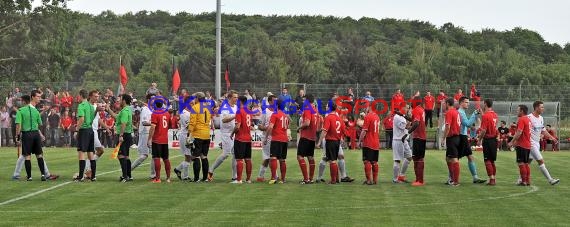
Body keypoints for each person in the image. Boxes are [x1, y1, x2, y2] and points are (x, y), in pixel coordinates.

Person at [524, 101, 560, 185]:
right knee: (540, 161)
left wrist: (552, 138)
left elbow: (543, 130)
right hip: (531, 143)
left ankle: (520, 179)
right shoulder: (528, 117)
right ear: (536, 108)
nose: (543, 109)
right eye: (542, 107)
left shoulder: (541, 118)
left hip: (537, 143)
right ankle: (550, 180)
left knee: (528, 162)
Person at [15, 92, 48, 181]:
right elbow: (40, 123)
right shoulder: (35, 111)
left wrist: (17, 137)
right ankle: (43, 175)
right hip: (36, 134)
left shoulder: (20, 111)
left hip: (26, 134)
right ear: (32, 98)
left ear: (23, 102)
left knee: (27, 156)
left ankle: (29, 177)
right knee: (39, 155)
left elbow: (18, 125)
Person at [208, 91, 238, 182]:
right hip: (226, 133)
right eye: (234, 97)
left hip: (234, 133)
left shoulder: (236, 107)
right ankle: (210, 170)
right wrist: (235, 116)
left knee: (235, 155)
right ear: (229, 98)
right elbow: (224, 120)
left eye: (237, 97)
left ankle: (234, 176)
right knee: (226, 154)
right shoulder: (225, 108)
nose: (236, 99)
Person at [457, 97, 487, 184]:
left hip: (463, 137)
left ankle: (475, 177)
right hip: (461, 137)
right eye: (466, 102)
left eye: (468, 102)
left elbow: (467, 124)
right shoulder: (460, 112)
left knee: (470, 157)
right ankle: (451, 178)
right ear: (461, 103)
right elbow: (467, 123)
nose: (468, 104)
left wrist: (472, 125)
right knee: (455, 159)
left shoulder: (462, 112)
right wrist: (474, 114)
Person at [107, 94, 134, 182]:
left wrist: (121, 135)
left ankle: (125, 176)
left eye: (121, 99)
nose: (119, 101)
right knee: (126, 156)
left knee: (121, 155)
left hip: (124, 135)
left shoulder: (125, 110)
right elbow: (116, 116)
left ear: (124, 101)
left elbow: (123, 123)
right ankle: (128, 176)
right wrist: (108, 109)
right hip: (127, 134)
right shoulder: (126, 110)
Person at [316, 104, 344, 184]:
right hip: (337, 141)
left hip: (330, 141)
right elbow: (343, 130)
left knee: (332, 161)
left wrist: (319, 142)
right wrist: (341, 138)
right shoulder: (339, 118)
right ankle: (337, 178)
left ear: (330, 108)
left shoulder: (328, 117)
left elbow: (324, 131)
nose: (326, 107)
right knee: (334, 159)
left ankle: (333, 180)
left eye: (327, 106)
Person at [264, 98, 291, 184]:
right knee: (282, 159)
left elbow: (270, 127)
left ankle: (273, 178)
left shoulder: (274, 114)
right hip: (284, 139)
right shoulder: (285, 116)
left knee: (273, 158)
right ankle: (283, 179)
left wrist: (266, 138)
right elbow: (287, 127)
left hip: (276, 139)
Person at [130, 94, 156, 179]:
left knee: (154, 155)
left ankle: (153, 175)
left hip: (151, 133)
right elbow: (144, 122)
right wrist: (155, 124)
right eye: (152, 99)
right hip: (145, 134)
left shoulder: (152, 109)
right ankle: (127, 171)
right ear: (148, 100)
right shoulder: (145, 109)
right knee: (144, 155)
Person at [74, 90, 97, 182]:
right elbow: (92, 118)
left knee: (81, 153)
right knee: (91, 153)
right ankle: (93, 176)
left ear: (80, 95)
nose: (77, 98)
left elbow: (81, 119)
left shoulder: (81, 105)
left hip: (83, 131)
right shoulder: (91, 106)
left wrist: (76, 129)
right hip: (90, 130)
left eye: (78, 96)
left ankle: (81, 176)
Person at [190, 92, 212, 182]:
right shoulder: (208, 107)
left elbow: (192, 123)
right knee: (204, 156)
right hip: (207, 134)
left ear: (197, 98)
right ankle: (205, 178)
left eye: (195, 98)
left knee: (195, 157)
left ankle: (196, 178)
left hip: (198, 134)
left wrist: (189, 134)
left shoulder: (195, 107)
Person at [148, 98, 172, 183]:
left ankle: (158, 178)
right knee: (166, 158)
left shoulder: (155, 113)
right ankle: (168, 178)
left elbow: (153, 127)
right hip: (165, 140)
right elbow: (169, 126)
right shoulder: (167, 113)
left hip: (157, 140)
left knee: (156, 158)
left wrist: (149, 139)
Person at [508, 105, 532, 186]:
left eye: (518, 110)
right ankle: (528, 181)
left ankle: (524, 181)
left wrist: (511, 142)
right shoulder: (528, 119)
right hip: (528, 144)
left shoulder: (521, 119)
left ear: (522, 111)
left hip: (522, 145)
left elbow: (519, 132)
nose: (516, 111)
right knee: (526, 163)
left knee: (521, 163)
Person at [477, 99, 499, 185]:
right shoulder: (494, 115)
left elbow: (483, 130)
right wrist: (482, 113)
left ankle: (491, 179)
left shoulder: (486, 116)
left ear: (485, 104)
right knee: (492, 160)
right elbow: (488, 120)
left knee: (487, 160)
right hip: (494, 140)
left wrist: (479, 140)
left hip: (488, 140)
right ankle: (493, 178)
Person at [296, 94, 318, 184]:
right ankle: (311, 178)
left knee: (300, 156)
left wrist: (299, 128)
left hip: (306, 136)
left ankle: (306, 179)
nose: (303, 101)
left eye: (304, 100)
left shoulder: (308, 108)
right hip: (312, 137)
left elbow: (307, 123)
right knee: (310, 157)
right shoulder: (316, 110)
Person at [231, 95, 253, 184]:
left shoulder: (239, 111)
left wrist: (232, 133)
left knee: (239, 159)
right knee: (248, 159)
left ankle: (239, 179)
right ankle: (248, 179)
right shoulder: (249, 111)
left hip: (240, 138)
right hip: (248, 138)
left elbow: (237, 126)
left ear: (240, 101)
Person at [358, 105, 380, 185]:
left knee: (366, 161)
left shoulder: (368, 116)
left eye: (367, 107)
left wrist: (360, 141)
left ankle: (368, 180)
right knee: (374, 162)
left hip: (368, 142)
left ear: (370, 107)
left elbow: (364, 131)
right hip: (376, 142)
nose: (366, 108)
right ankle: (375, 180)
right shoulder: (377, 117)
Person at [173, 96, 194, 181]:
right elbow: (189, 127)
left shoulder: (192, 112)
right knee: (189, 156)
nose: (193, 104)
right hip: (186, 136)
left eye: (193, 103)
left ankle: (178, 169)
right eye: (191, 103)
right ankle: (185, 176)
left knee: (190, 157)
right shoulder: (184, 114)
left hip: (190, 136)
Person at [441, 98, 461, 186]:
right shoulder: (456, 112)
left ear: (448, 103)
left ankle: (456, 181)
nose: (444, 105)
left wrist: (443, 138)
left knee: (454, 159)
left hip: (452, 137)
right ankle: (452, 178)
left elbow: (448, 127)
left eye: (445, 103)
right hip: (456, 137)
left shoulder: (449, 112)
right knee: (448, 158)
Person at [256, 95, 276, 182]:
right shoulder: (265, 112)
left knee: (274, 157)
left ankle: (274, 175)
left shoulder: (277, 111)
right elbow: (259, 126)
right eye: (274, 100)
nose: (276, 102)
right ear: (270, 102)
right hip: (267, 138)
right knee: (268, 158)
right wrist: (267, 128)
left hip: (276, 137)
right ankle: (260, 176)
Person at [392, 104, 413, 184]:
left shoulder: (403, 117)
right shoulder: (397, 117)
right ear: (403, 107)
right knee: (397, 160)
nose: (408, 110)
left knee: (409, 157)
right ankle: (395, 179)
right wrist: (410, 120)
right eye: (407, 108)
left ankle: (401, 176)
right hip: (398, 140)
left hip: (404, 140)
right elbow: (405, 127)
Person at [409, 97, 427, 186]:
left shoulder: (416, 110)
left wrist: (408, 133)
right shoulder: (421, 109)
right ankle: (418, 179)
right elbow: (414, 120)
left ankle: (420, 181)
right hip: (421, 137)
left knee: (418, 158)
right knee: (417, 158)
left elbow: (416, 123)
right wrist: (403, 115)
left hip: (418, 137)